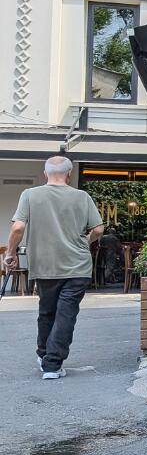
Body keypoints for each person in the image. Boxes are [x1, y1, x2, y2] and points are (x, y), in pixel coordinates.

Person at [5, 156, 103, 379]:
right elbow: (98, 229)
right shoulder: (82, 196)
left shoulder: (29, 195)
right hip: (78, 265)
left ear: (45, 173)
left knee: (47, 311)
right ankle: (52, 364)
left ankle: (45, 357)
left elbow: (18, 228)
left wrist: (10, 253)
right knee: (66, 313)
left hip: (44, 264)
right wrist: (86, 240)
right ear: (69, 174)